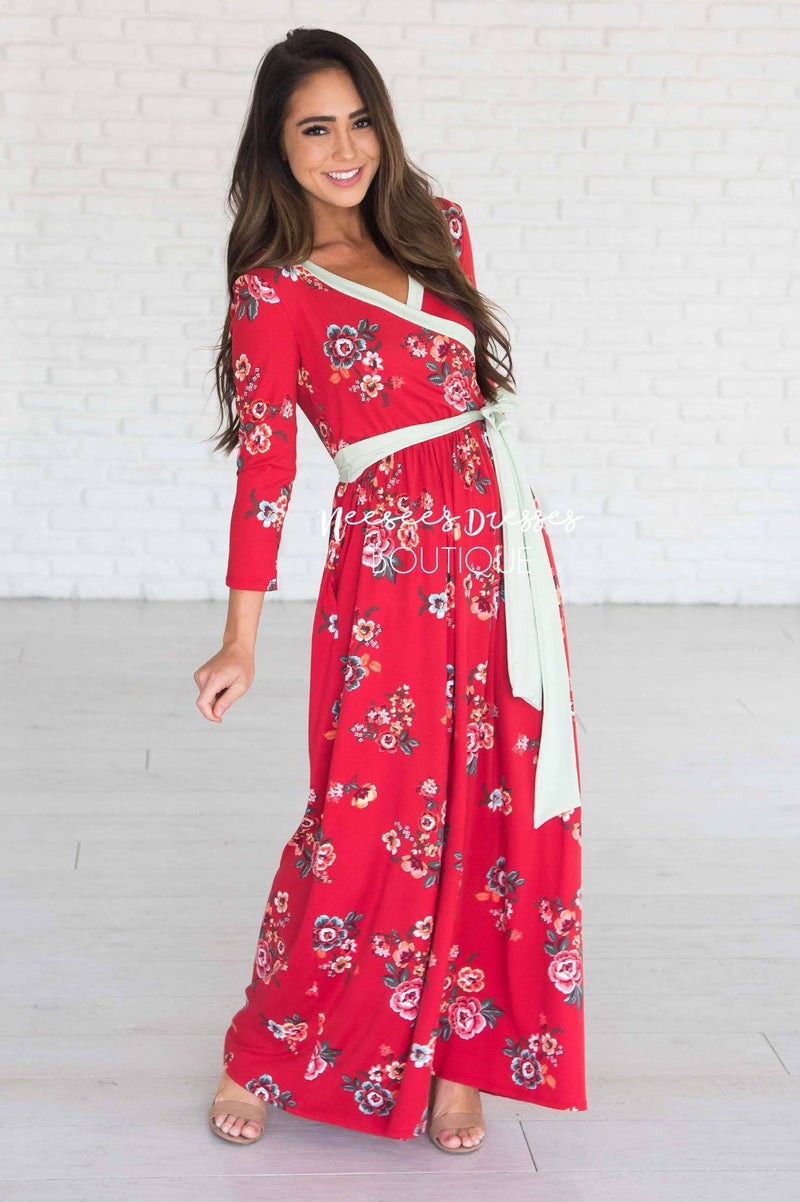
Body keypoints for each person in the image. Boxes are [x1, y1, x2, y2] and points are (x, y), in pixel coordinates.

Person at [195, 27, 586, 1155]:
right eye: (315, 128)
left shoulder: (437, 227)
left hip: (498, 551)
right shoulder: (274, 292)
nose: (345, 148)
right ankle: (267, 1048)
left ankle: (460, 1064)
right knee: (364, 821)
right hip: (388, 571)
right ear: (276, 146)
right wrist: (239, 639)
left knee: (494, 807)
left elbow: (471, 400)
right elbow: (267, 471)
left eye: (359, 120)